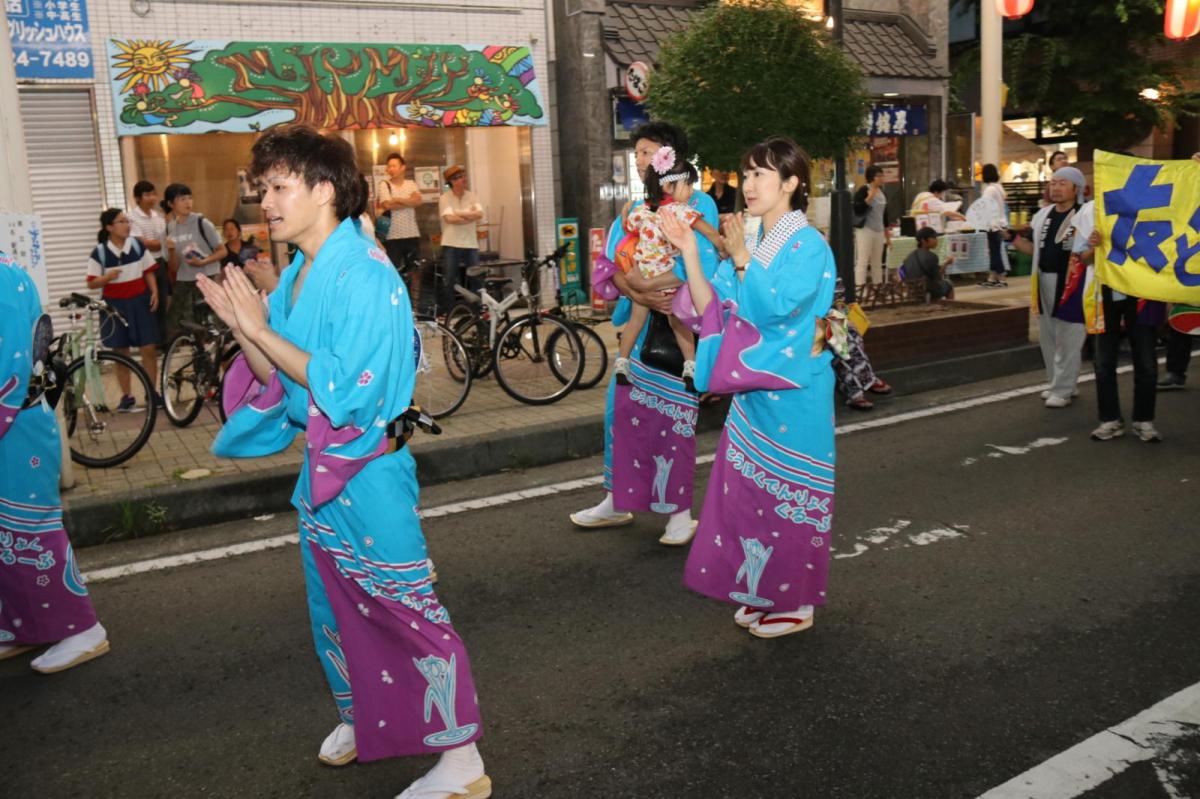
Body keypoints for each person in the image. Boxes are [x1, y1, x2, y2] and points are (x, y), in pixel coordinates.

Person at [197, 125, 489, 799]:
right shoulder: (302, 269)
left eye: (278, 186)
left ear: (324, 190)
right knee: (333, 604)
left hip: (369, 470)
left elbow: (342, 386)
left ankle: (460, 757)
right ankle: (367, 711)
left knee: (404, 607)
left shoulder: (364, 273)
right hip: (324, 472)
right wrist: (246, 327)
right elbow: (278, 380)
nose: (264, 201)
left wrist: (261, 325)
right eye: (261, 187)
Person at [662, 135, 838, 639]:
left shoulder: (808, 245)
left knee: (792, 496)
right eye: (748, 173)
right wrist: (689, 254)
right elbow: (712, 310)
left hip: (794, 389)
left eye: (762, 174)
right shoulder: (755, 238)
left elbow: (781, 313)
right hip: (753, 387)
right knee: (749, 495)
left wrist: (741, 259)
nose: (750, 183)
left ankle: (796, 602)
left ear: (791, 183)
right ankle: (764, 591)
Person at [570, 120, 717, 546]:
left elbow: (701, 263)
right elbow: (608, 267)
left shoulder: (698, 202)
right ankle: (618, 498)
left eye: (648, 152)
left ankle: (678, 514)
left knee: (674, 424)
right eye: (636, 153)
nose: (640, 160)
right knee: (624, 420)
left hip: (675, 330)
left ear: (670, 157)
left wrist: (650, 291)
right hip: (637, 334)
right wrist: (637, 289)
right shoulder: (634, 208)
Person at [0, 252, 111, 673]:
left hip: (16, 422)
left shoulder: (2, 276)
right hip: (14, 420)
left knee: (30, 531)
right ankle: (19, 627)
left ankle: (82, 629)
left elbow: (9, 360)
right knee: (7, 534)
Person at [613, 147, 723, 391]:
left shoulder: (642, 210)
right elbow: (710, 233)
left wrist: (624, 214)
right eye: (688, 185)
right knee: (679, 322)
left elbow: (628, 228)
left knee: (635, 320)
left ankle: (622, 363)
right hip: (665, 272)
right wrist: (723, 246)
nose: (691, 191)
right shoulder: (679, 210)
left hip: (643, 270)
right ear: (670, 186)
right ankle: (691, 367)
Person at [1076, 204, 1165, 443]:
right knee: (1103, 362)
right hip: (1105, 295)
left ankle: (1143, 419)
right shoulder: (1091, 209)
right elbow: (1082, 258)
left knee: (1146, 362)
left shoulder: (1149, 206)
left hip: (1142, 294)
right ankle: (1110, 419)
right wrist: (1094, 247)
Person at [1009, 166, 1086, 408]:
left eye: (1063, 183)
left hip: (1073, 283)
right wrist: (1012, 238)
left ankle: (1062, 389)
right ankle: (1058, 383)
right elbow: (1034, 251)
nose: (1056, 187)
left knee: (1069, 335)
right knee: (1048, 334)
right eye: (1053, 183)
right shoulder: (1043, 214)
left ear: (1077, 189)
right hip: (1043, 279)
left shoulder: (1086, 214)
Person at [86, 209, 161, 409]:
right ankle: (127, 397)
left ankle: (152, 393)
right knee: (121, 352)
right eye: (122, 221)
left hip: (140, 302)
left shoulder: (137, 246)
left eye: (127, 221)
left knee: (149, 348)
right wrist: (107, 278)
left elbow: (148, 271)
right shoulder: (99, 253)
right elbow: (92, 283)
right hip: (113, 306)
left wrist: (154, 292)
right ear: (109, 227)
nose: (127, 225)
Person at [163, 183, 227, 337]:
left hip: (207, 279)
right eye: (181, 199)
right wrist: (171, 250)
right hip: (184, 283)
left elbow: (222, 251)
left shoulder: (202, 223)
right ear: (170, 204)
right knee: (185, 328)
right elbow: (173, 268)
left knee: (211, 326)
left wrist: (203, 262)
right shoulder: (169, 229)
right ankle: (199, 359)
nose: (187, 203)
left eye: (189, 198)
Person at [128, 180, 172, 341]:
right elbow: (144, 244)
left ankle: (162, 341)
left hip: (160, 263)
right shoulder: (131, 218)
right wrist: (163, 242)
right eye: (147, 195)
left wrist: (163, 243)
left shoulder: (158, 216)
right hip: (143, 267)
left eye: (153, 194)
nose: (152, 198)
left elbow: (165, 240)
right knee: (148, 303)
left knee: (162, 301)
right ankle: (150, 340)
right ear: (137, 198)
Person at [438, 165, 483, 315]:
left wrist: (460, 215)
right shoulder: (444, 198)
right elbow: (449, 219)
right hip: (451, 243)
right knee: (449, 280)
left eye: (464, 175)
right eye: (460, 177)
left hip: (470, 243)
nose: (464, 179)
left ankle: (477, 312)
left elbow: (479, 214)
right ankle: (450, 313)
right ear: (452, 181)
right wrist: (468, 215)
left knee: (476, 279)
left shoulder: (472, 196)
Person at [377, 152, 423, 281]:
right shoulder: (384, 184)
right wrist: (409, 201)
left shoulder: (411, 183)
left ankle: (414, 301)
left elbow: (418, 201)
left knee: (414, 271)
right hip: (392, 237)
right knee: (394, 273)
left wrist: (397, 199)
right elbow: (386, 204)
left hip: (412, 234)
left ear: (403, 167)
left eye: (394, 166)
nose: (390, 169)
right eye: (389, 166)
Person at [852, 165, 889, 287]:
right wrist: (870, 196)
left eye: (882, 175)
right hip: (865, 230)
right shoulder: (864, 189)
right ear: (873, 177)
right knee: (863, 260)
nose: (882, 178)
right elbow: (857, 208)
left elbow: (884, 215)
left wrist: (887, 235)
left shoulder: (882, 192)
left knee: (877, 262)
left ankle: (877, 287)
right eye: (879, 175)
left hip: (879, 230)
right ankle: (860, 288)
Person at [976, 163, 1011, 288]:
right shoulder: (999, 188)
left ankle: (1002, 277)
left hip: (992, 224)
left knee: (994, 252)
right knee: (995, 250)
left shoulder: (990, 189)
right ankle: (992, 277)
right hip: (1000, 223)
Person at [900, 227, 955, 301]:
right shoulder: (932, 256)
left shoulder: (909, 256)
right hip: (928, 290)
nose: (936, 240)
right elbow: (938, 278)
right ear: (923, 240)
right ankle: (949, 309)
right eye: (934, 237)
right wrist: (946, 264)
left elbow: (902, 273)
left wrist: (945, 264)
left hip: (913, 291)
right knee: (949, 283)